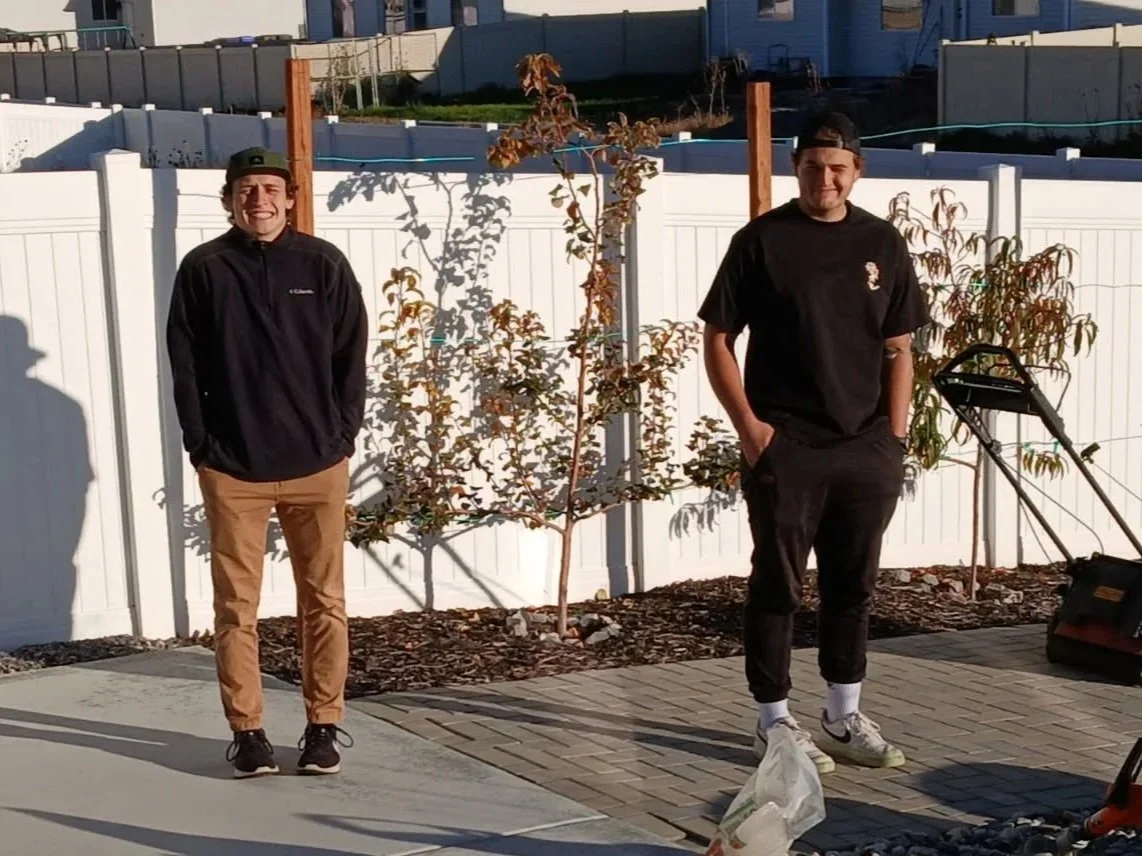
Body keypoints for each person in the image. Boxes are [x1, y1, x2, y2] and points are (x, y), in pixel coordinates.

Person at [697, 111, 929, 775]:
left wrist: (895, 434)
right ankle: (772, 723)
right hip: (787, 444)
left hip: (865, 447)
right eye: (811, 167)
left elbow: (900, 346)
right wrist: (752, 431)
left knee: (853, 586)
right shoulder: (761, 242)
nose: (824, 179)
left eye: (837, 168)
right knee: (779, 585)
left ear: (857, 171)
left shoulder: (881, 242)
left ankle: (842, 715)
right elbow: (717, 338)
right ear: (794, 169)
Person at [165, 146, 369, 779]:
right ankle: (248, 732)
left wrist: (341, 436)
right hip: (233, 469)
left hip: (317, 464)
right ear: (229, 199)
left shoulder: (323, 264)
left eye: (270, 188)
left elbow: (350, 359)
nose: (260, 199)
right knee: (236, 609)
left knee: (325, 603)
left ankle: (323, 727)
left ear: (289, 197)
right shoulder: (204, 268)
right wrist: (202, 447)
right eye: (247, 189)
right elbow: (184, 362)